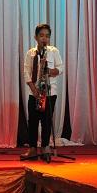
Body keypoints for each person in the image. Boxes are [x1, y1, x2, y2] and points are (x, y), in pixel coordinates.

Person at [21, 23, 63, 160]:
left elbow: (61, 68)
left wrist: (49, 71)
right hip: (34, 92)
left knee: (46, 121)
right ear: (36, 37)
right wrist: (33, 89)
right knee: (33, 121)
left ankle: (45, 147)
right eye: (41, 35)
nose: (44, 39)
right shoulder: (30, 53)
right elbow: (26, 72)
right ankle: (32, 148)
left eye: (47, 36)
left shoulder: (53, 51)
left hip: (49, 92)